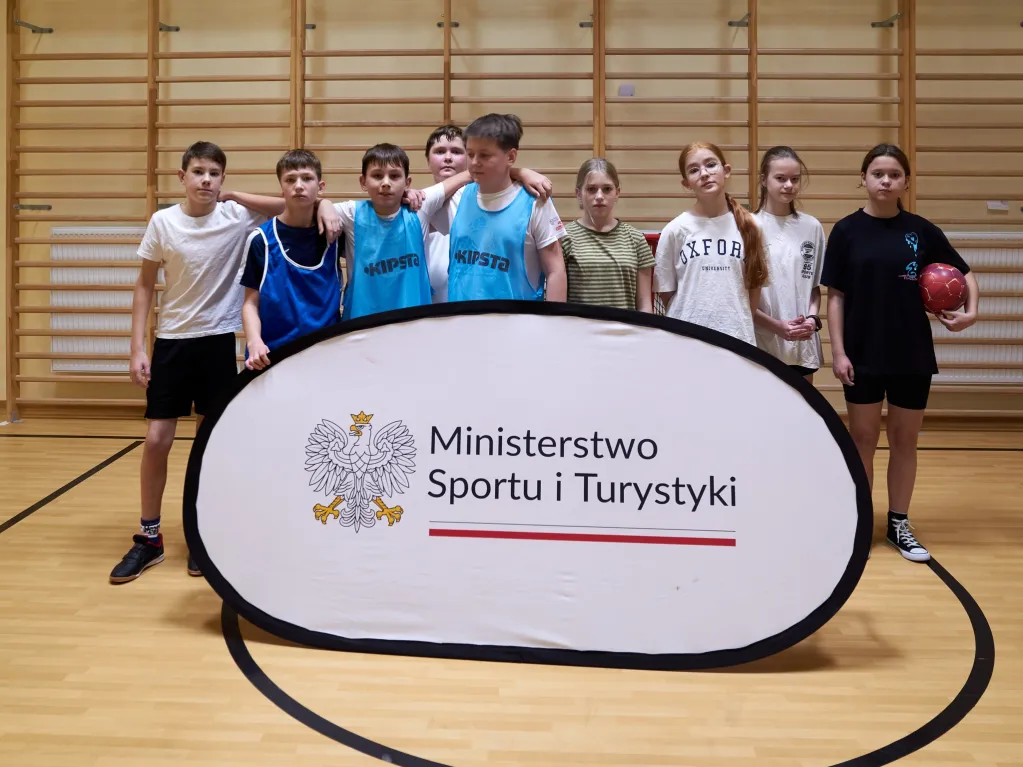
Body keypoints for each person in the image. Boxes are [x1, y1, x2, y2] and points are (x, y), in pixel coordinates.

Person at [112, 141, 338, 584]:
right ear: (182, 177)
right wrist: (137, 348)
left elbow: (293, 201)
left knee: (209, 443)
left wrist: (324, 202)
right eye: (198, 172)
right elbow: (144, 285)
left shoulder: (236, 217)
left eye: (215, 174)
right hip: (172, 341)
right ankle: (150, 537)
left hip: (217, 342)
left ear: (223, 179)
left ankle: (202, 533)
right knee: (157, 439)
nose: (206, 180)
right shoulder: (163, 222)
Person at [822, 143, 979, 562]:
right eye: (878, 173)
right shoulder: (846, 231)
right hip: (862, 351)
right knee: (863, 438)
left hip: (911, 352)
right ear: (863, 178)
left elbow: (964, 274)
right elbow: (835, 297)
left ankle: (898, 523)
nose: (886, 181)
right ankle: (859, 522)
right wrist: (839, 352)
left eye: (894, 174)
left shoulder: (921, 231)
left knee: (904, 439)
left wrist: (971, 313)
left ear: (906, 181)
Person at [653, 142, 769, 344]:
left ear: (726, 171)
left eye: (711, 165)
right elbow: (666, 293)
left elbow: (754, 288)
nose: (704, 173)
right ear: (686, 183)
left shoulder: (752, 226)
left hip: (737, 339)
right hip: (686, 339)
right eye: (694, 170)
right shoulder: (674, 230)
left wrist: (737, 324)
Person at [238, 149, 342, 370]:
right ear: (281, 188)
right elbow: (250, 303)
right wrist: (254, 341)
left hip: (325, 354)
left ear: (321, 186)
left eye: (307, 178)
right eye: (290, 179)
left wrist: (326, 203)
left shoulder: (335, 232)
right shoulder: (261, 240)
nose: (299, 185)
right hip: (274, 356)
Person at [447, 113, 567, 302]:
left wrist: (555, 320)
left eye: (484, 155)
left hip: (518, 319)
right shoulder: (458, 198)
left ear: (511, 156)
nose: (475, 162)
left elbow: (555, 271)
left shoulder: (536, 202)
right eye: (470, 154)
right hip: (460, 317)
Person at [752, 146, 826, 381]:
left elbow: (813, 287)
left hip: (801, 345)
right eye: (780, 178)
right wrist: (777, 326)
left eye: (794, 179)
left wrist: (812, 319)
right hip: (761, 343)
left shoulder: (812, 227)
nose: (789, 185)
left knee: (803, 404)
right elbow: (741, 296)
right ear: (764, 180)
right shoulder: (748, 226)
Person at [561, 158, 654, 312]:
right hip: (579, 327)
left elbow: (644, 303)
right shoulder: (565, 238)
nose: (599, 196)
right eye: (591, 189)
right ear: (579, 194)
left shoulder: (636, 239)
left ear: (617, 193)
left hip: (625, 327)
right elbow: (559, 301)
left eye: (607, 189)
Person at [423, 125, 468, 303]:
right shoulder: (417, 202)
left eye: (456, 151)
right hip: (426, 309)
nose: (448, 158)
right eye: (440, 151)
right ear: (428, 160)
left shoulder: (482, 201)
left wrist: (521, 173)